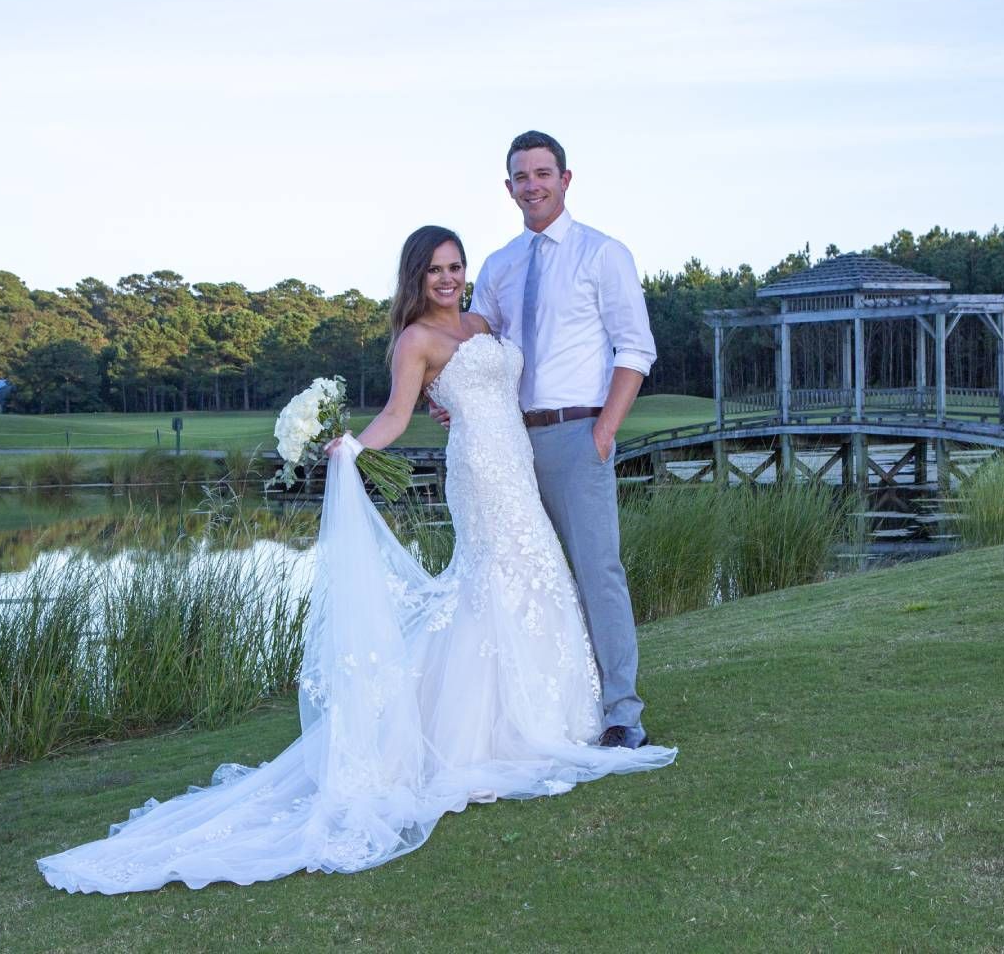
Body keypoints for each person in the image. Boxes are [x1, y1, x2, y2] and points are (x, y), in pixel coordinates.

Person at [37, 226, 675, 895]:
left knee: (538, 577)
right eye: (436, 271)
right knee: (496, 580)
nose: (450, 279)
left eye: (456, 266)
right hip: (483, 476)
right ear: (416, 278)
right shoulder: (416, 341)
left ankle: (562, 714)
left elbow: (511, 376)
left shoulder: (482, 320)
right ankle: (489, 730)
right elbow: (400, 414)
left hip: (515, 459)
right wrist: (353, 448)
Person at [453, 130, 656, 749]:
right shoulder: (498, 266)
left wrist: (603, 433)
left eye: (543, 173)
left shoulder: (602, 254)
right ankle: (528, 710)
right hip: (509, 445)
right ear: (508, 186)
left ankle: (622, 713)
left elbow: (636, 348)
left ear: (566, 179)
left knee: (598, 573)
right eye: (521, 176)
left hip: (578, 434)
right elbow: (470, 341)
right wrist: (449, 392)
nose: (532, 185)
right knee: (518, 575)